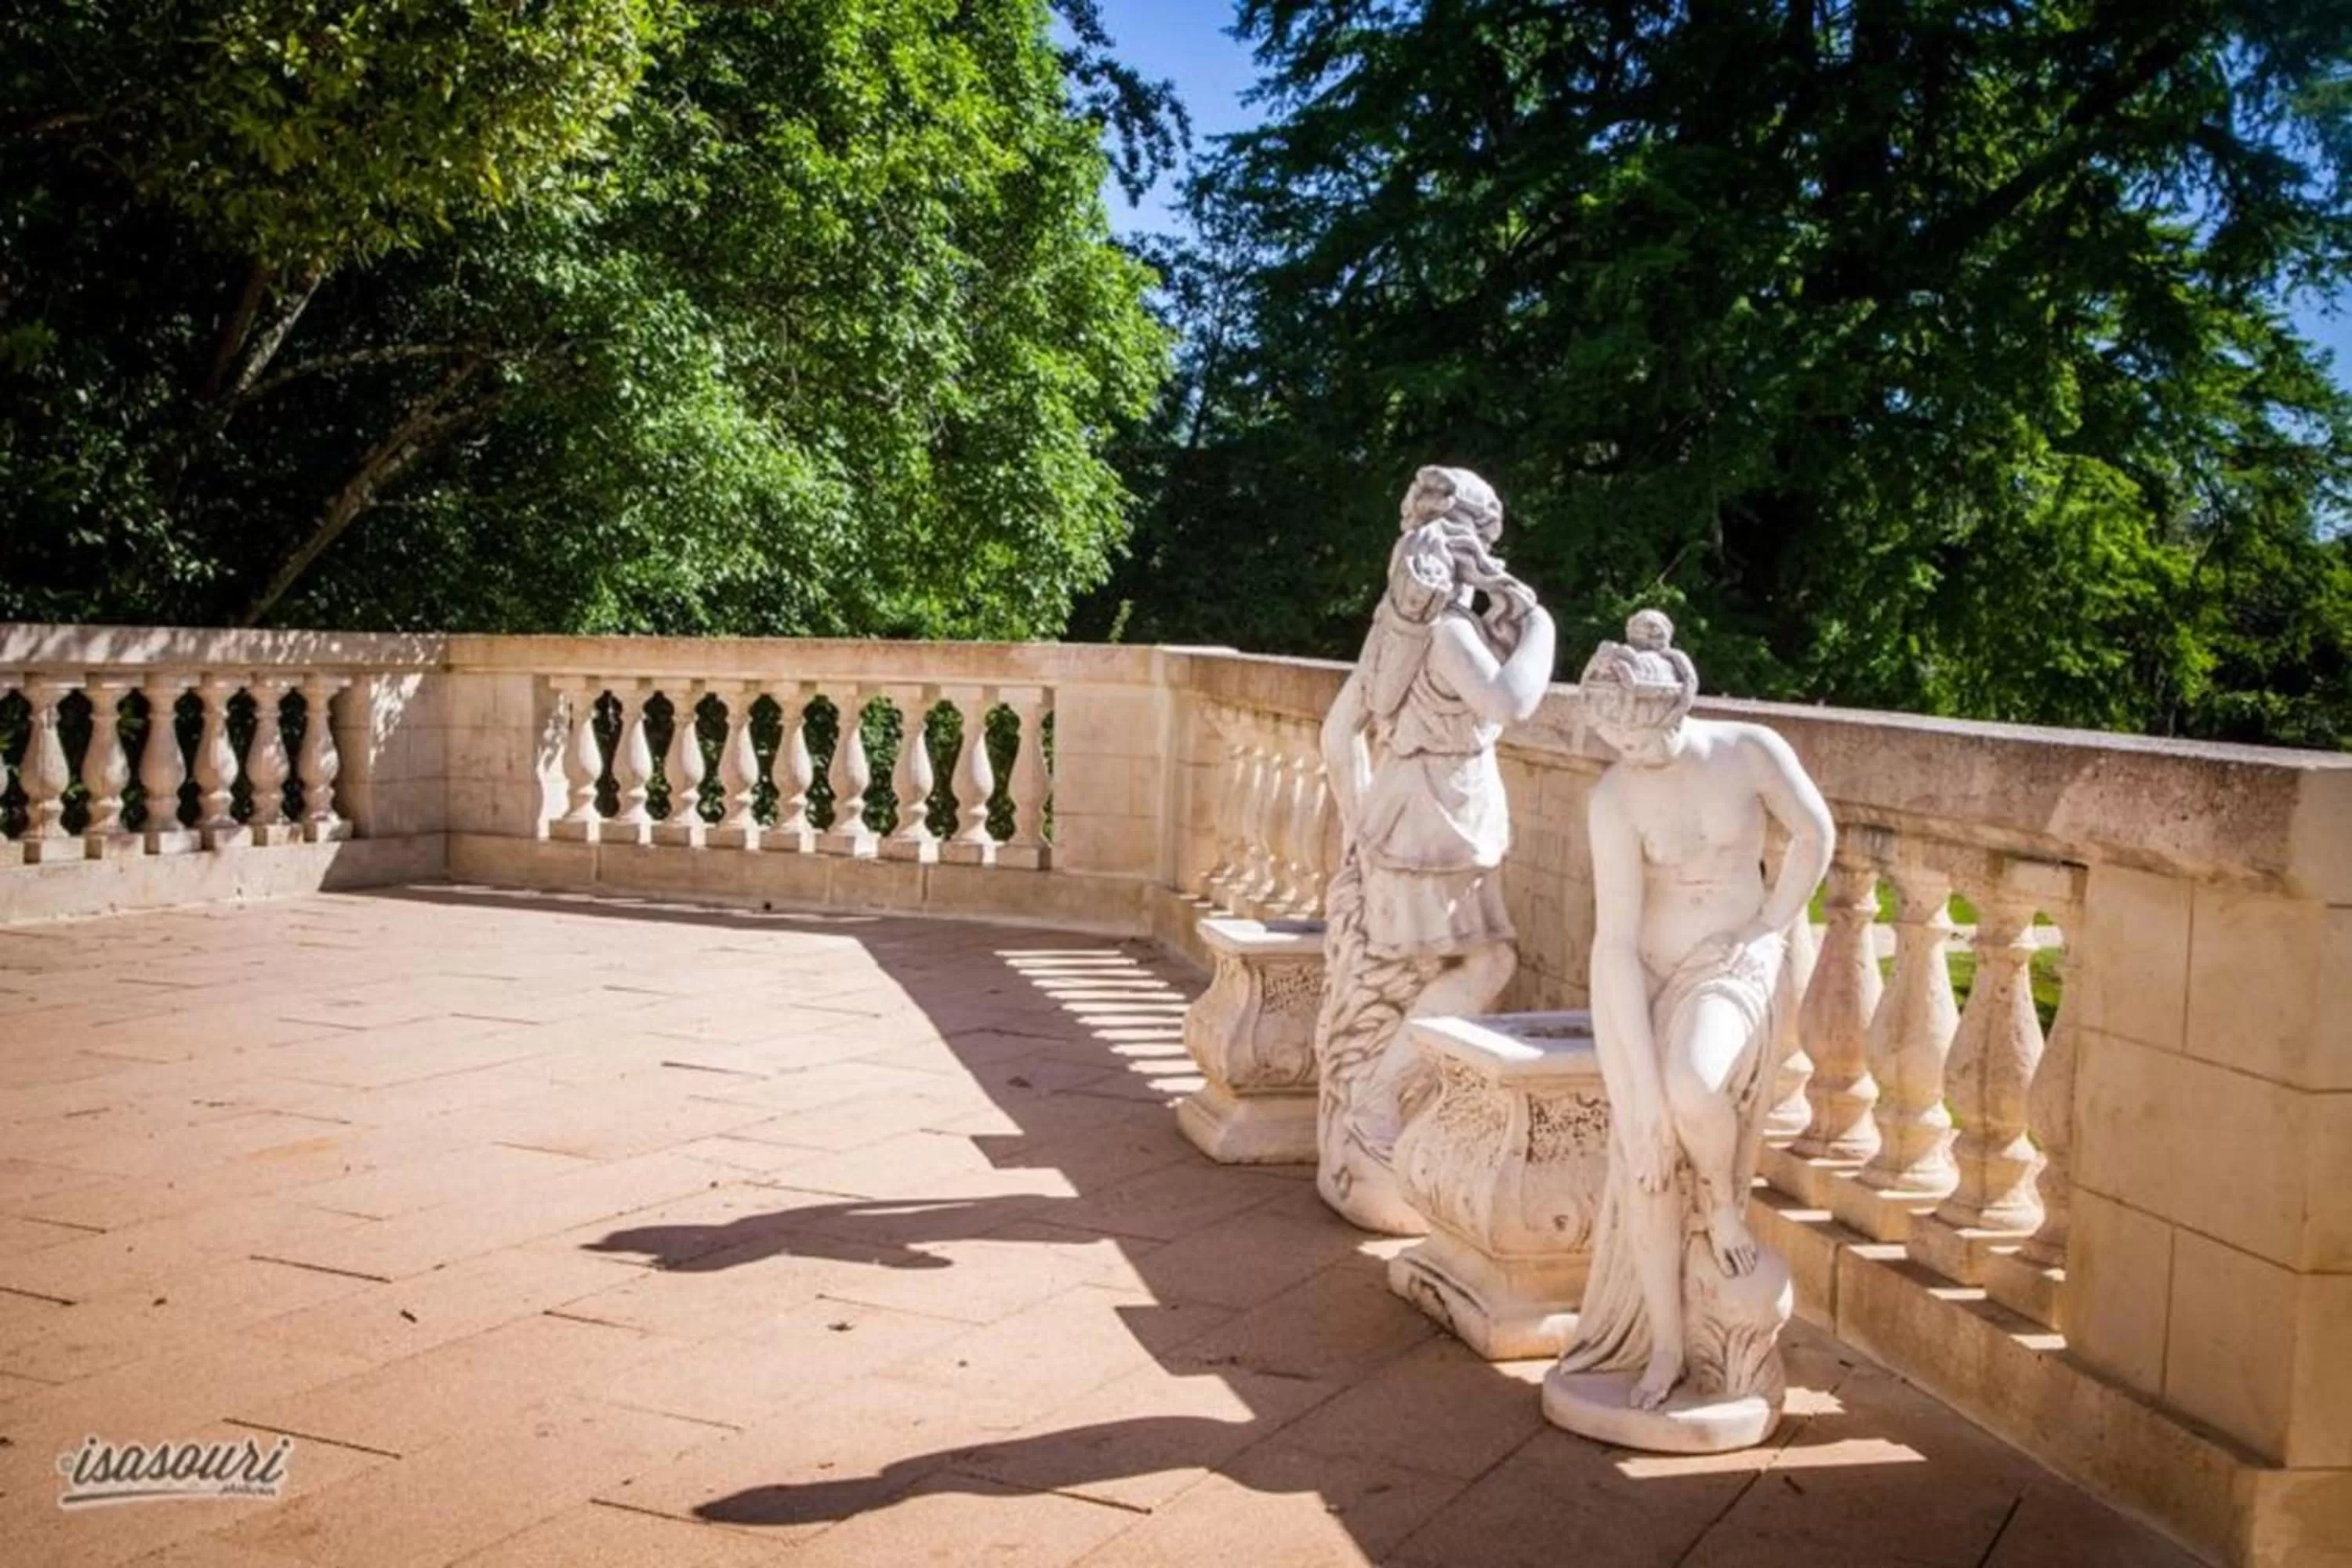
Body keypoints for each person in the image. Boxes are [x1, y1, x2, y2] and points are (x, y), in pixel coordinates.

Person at [1558, 610, 1834, 1410]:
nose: (1635, 757)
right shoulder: (1615, 797)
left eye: (1645, 741)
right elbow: (1611, 940)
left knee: (1690, 1082)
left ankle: (1718, 1206)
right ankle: (1667, 1343)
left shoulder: (1747, 749)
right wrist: (1631, 1091)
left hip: (1733, 960)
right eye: (1620, 746)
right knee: (1644, 1149)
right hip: (1642, 972)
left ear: (1674, 708)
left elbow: (1815, 836)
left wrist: (1767, 930)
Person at [1312, 466, 1556, 1232]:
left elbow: (1335, 733)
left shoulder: (1397, 626)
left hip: (1405, 814)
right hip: (1440, 822)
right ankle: (1381, 1107)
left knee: (1426, 971)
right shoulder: (1449, 633)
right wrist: (1542, 623)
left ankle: (1370, 1123)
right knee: (1487, 964)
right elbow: (1512, 701)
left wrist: (1360, 820)